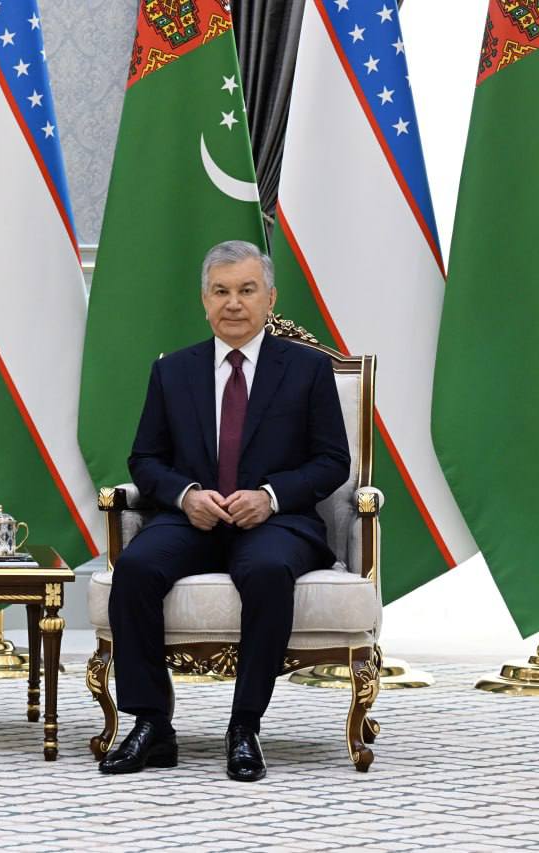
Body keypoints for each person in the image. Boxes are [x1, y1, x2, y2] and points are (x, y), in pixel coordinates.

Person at [99, 240, 350, 782]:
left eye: (246, 290)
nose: (233, 303)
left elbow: (333, 461)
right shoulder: (174, 371)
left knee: (264, 571)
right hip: (193, 520)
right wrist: (187, 494)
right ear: (204, 301)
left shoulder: (307, 369)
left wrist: (271, 496)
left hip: (277, 522)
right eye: (221, 292)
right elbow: (145, 459)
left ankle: (244, 726)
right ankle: (150, 725)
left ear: (270, 298)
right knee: (136, 569)